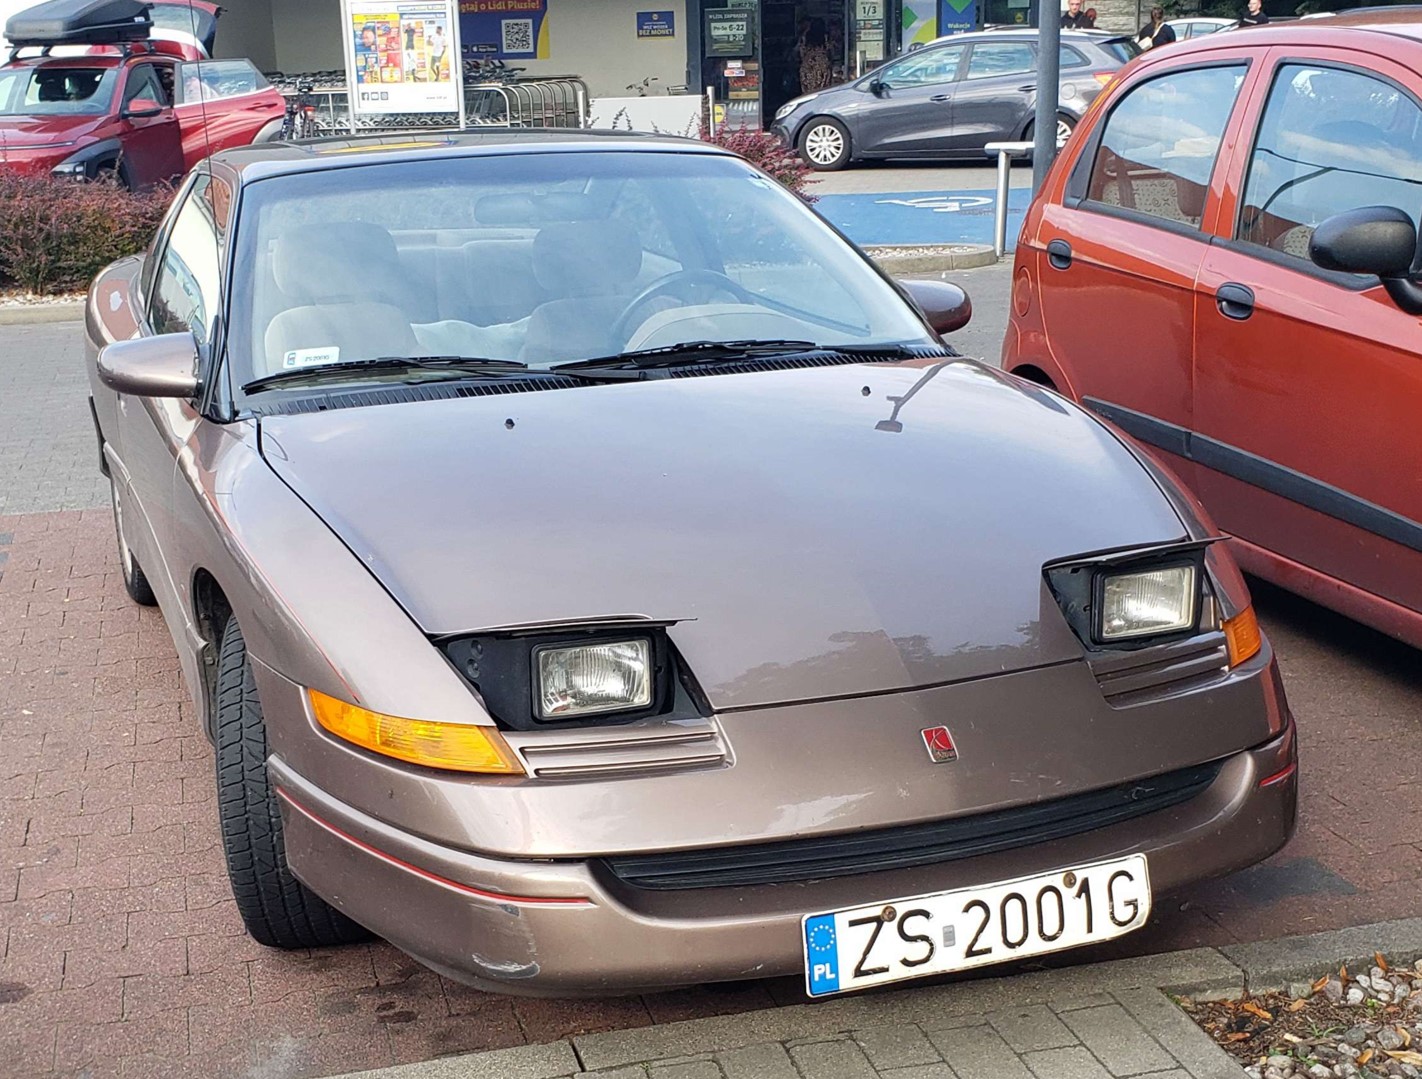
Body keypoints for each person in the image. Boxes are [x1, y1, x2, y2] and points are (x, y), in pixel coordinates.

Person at [799, 17, 832, 95]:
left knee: (808, 91)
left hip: (808, 65)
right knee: (822, 90)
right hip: (822, 64)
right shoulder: (826, 36)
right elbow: (830, 51)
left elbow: (802, 53)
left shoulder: (805, 36)